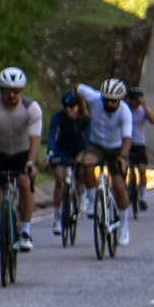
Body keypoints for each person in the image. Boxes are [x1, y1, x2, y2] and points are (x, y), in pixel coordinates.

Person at [0, 66, 40, 250]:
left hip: (22, 153)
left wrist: (32, 162)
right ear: (0, 90)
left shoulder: (32, 108)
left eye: (16, 92)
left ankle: (26, 231)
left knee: (25, 183)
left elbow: (35, 138)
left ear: (22, 91)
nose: (12, 96)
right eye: (7, 92)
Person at [83, 77, 134, 242]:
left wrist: (123, 157)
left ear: (120, 100)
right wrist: (84, 110)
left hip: (116, 148)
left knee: (119, 186)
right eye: (107, 100)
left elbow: (127, 138)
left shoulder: (125, 111)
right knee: (86, 163)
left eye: (114, 101)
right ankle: (91, 200)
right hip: (96, 144)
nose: (110, 104)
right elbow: (78, 88)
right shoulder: (93, 97)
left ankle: (125, 224)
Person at [47, 89, 90, 235]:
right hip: (62, 148)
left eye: (72, 106)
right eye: (65, 106)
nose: (68, 109)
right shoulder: (58, 117)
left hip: (79, 147)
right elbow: (52, 135)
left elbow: (89, 137)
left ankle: (82, 194)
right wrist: (50, 153)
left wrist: (82, 153)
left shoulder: (84, 118)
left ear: (78, 105)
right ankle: (57, 217)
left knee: (82, 168)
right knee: (59, 178)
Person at [123, 85, 154, 211]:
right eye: (134, 99)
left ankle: (143, 198)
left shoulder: (143, 110)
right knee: (124, 169)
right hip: (126, 143)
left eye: (138, 99)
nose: (136, 102)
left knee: (142, 169)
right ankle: (125, 192)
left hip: (139, 143)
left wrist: (145, 106)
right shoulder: (125, 109)